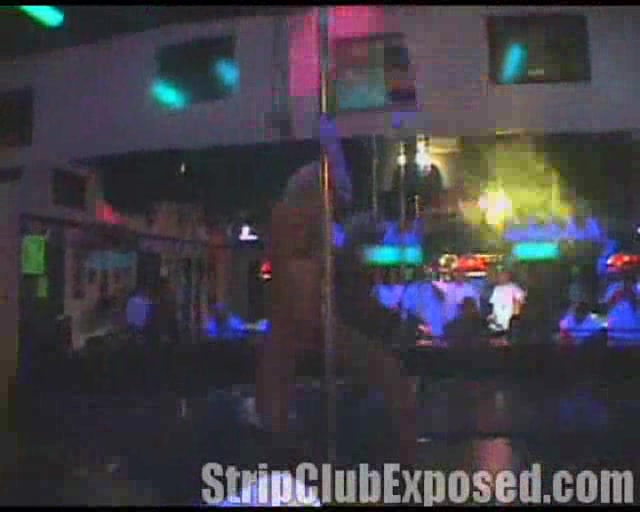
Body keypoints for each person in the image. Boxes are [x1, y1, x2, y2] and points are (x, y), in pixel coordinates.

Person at [400, 267, 445, 345]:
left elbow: (442, 298)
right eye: (418, 275)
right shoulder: (410, 289)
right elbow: (405, 309)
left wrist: (432, 285)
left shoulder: (432, 287)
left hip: (433, 328)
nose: (421, 277)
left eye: (422, 275)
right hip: (417, 328)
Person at [606, 273, 640, 346]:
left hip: (634, 337)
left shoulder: (637, 291)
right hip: (615, 335)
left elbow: (637, 307)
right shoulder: (614, 289)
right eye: (626, 280)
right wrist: (616, 297)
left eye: (630, 281)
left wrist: (633, 298)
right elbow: (606, 307)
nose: (628, 283)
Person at [488, 270, 526, 334]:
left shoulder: (514, 288)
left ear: (508, 277)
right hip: (497, 324)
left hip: (509, 322)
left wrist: (515, 316)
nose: (499, 278)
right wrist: (492, 316)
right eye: (499, 276)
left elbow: (521, 301)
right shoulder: (496, 289)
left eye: (502, 276)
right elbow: (494, 305)